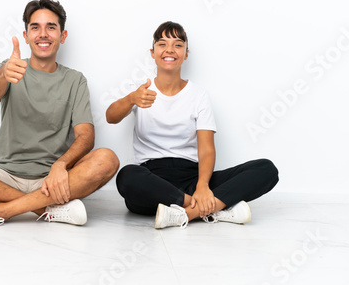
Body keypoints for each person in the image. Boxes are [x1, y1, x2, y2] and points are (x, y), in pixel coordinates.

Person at [0, 0, 119, 228]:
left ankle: (2, 210)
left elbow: (86, 136)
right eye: (35, 27)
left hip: (53, 180)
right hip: (2, 177)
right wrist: (3, 74)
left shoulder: (75, 80)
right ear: (26, 35)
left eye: (51, 27)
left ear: (63, 35)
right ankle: (46, 209)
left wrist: (60, 165)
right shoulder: (11, 67)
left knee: (107, 159)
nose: (43, 34)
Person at [106, 21, 278, 229]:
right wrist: (131, 98)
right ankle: (208, 208)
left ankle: (186, 213)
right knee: (127, 176)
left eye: (178, 45)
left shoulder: (198, 95)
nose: (170, 49)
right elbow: (110, 117)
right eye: (162, 44)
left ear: (186, 54)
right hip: (153, 181)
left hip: (192, 177)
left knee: (266, 169)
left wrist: (203, 186)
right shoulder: (141, 91)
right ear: (152, 52)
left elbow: (206, 149)